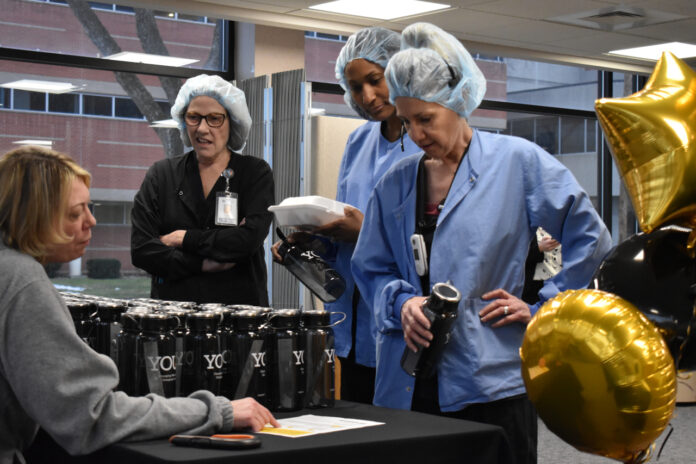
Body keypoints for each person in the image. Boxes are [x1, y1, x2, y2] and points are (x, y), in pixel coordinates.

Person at [350, 23, 613, 464]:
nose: (415, 134)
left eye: (426, 119)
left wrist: (543, 307)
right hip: (408, 377)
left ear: (458, 103)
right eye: (407, 120)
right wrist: (401, 305)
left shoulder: (517, 162)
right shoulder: (395, 183)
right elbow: (372, 268)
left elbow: (591, 238)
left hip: (490, 374)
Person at [0, 146, 278, 463]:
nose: (91, 221)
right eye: (76, 213)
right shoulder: (22, 281)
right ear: (33, 217)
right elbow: (89, 416)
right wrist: (218, 410)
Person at [272, 27, 421, 404]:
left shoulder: (425, 141)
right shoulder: (359, 141)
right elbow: (345, 222)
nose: (368, 97)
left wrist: (364, 233)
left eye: (376, 80)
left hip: (402, 315)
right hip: (350, 319)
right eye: (356, 87)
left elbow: (433, 240)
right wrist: (314, 240)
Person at [131, 74, 274, 305]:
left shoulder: (253, 173)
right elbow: (142, 250)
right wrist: (202, 263)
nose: (202, 129)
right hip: (174, 316)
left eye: (214, 118)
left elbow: (248, 241)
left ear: (232, 121)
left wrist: (183, 238)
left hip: (239, 315)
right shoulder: (162, 175)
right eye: (194, 118)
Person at [522, 227, 562, 304]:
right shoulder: (526, 225)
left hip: (565, 284)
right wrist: (539, 248)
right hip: (534, 289)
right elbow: (514, 257)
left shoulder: (570, 224)